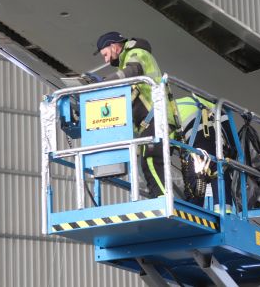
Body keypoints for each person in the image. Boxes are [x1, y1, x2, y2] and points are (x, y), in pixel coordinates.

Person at [94, 31, 167, 198]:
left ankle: (161, 199)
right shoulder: (126, 61)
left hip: (156, 117)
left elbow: (134, 70)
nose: (106, 60)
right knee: (147, 162)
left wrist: (104, 82)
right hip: (149, 120)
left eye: (105, 54)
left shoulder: (136, 53)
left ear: (114, 46)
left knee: (150, 160)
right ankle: (159, 197)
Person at [175, 95, 236, 212]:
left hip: (194, 155)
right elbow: (228, 128)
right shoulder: (207, 101)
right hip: (215, 151)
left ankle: (193, 216)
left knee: (194, 190)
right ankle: (224, 213)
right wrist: (234, 152)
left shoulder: (172, 108)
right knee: (221, 175)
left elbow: (168, 142)